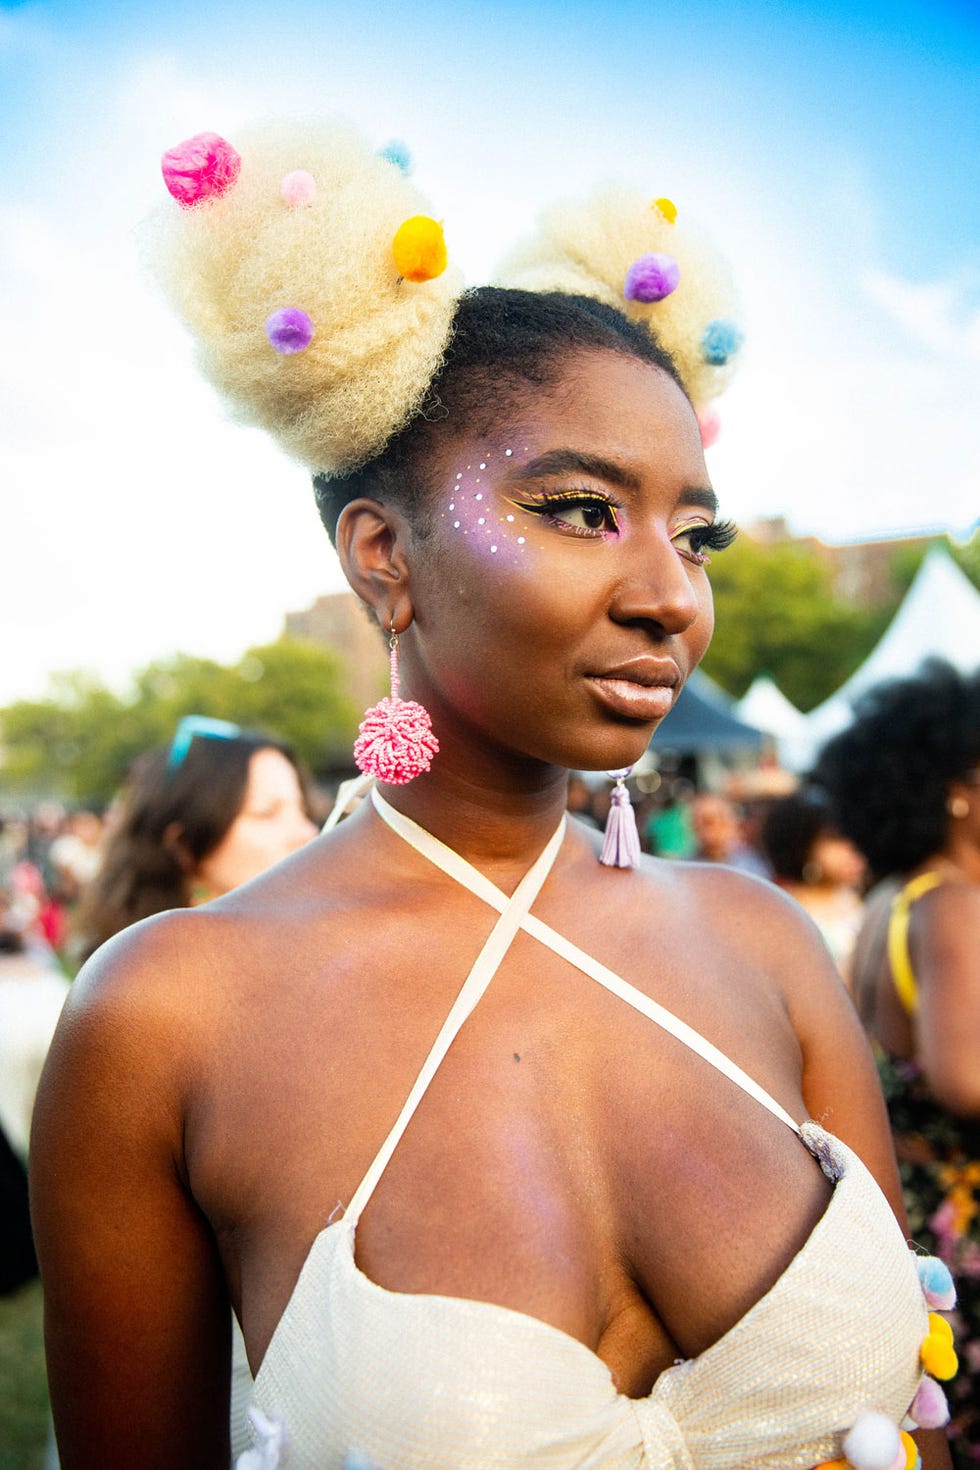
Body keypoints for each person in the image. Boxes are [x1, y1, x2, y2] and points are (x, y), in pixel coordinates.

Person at [31, 120, 951, 1470]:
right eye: (583, 510)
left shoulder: (766, 949)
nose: (670, 597)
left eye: (693, 533)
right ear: (384, 555)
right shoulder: (164, 1015)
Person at [815, 659, 980, 1466]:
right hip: (965, 1226)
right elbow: (966, 1077)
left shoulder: (890, 899)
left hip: (914, 1222)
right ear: (957, 788)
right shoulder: (955, 906)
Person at [73, 716, 318, 961]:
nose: (307, 833)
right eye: (267, 813)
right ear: (185, 845)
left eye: (302, 810)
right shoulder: (149, 977)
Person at [759, 785, 866, 987]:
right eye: (834, 839)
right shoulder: (789, 911)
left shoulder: (849, 897)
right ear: (802, 846)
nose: (850, 848)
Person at [689, 791, 771, 877]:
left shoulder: (751, 866)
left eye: (708, 821)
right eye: (696, 822)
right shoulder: (688, 867)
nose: (701, 829)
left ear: (729, 823)